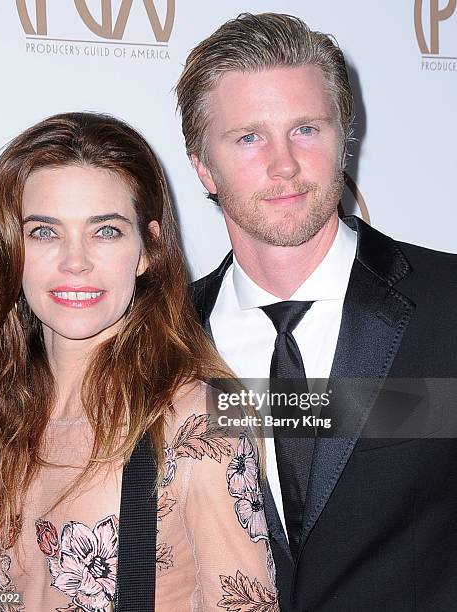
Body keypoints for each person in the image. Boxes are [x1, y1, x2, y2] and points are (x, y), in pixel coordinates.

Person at [176, 12, 457, 612]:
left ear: (344, 137)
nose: (284, 165)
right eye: (249, 137)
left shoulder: (449, 305)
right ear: (203, 167)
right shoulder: (162, 339)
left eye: (306, 129)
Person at [0, 112, 278, 611]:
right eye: (44, 232)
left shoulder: (200, 420)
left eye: (105, 231)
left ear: (147, 250)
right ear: (11, 249)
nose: (74, 260)